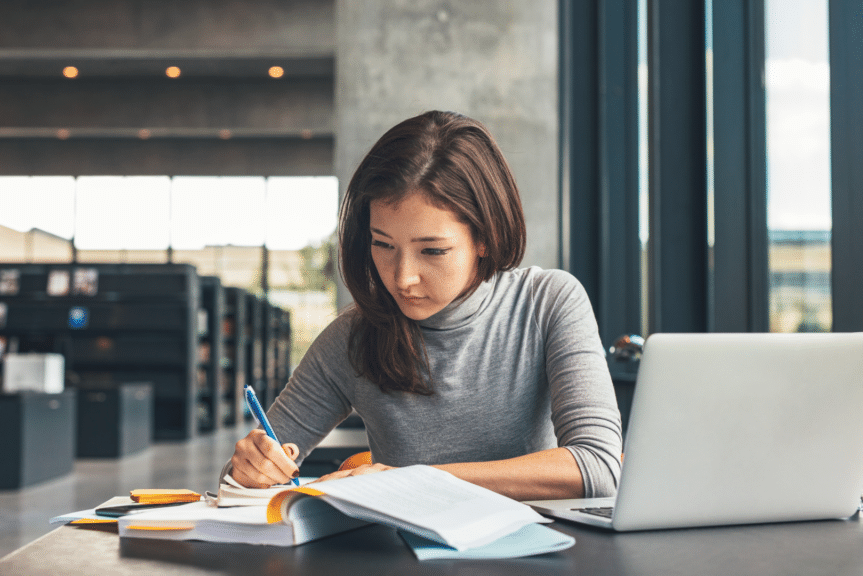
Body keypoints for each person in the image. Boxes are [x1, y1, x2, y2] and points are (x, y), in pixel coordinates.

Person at [229, 110, 622, 501]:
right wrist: (248, 471)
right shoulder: (353, 337)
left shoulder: (547, 302)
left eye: (432, 250)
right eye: (382, 244)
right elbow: (235, 487)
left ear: (484, 237)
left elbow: (597, 467)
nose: (402, 278)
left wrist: (408, 480)